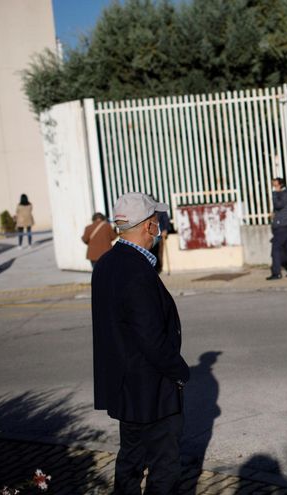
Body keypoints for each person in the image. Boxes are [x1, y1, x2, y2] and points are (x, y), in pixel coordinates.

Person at [92, 192, 189, 494]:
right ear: (148, 226)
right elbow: (150, 337)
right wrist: (179, 372)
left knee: (131, 460)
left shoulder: (106, 264)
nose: (160, 226)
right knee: (165, 466)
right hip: (152, 389)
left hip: (125, 388)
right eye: (157, 220)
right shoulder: (136, 270)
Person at [268, 177, 287, 280]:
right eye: (273, 184)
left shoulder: (283, 193)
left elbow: (278, 204)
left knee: (276, 248)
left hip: (283, 224)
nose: (274, 187)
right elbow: (281, 207)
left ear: (280, 185)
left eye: (275, 185)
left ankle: (276, 273)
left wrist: (275, 193)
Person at [150, 206, 171, 274]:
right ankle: (152, 268)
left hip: (160, 235)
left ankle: (159, 268)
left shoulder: (161, 211)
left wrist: (165, 230)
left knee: (159, 252)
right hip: (150, 235)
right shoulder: (147, 212)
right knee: (151, 252)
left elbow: (166, 221)